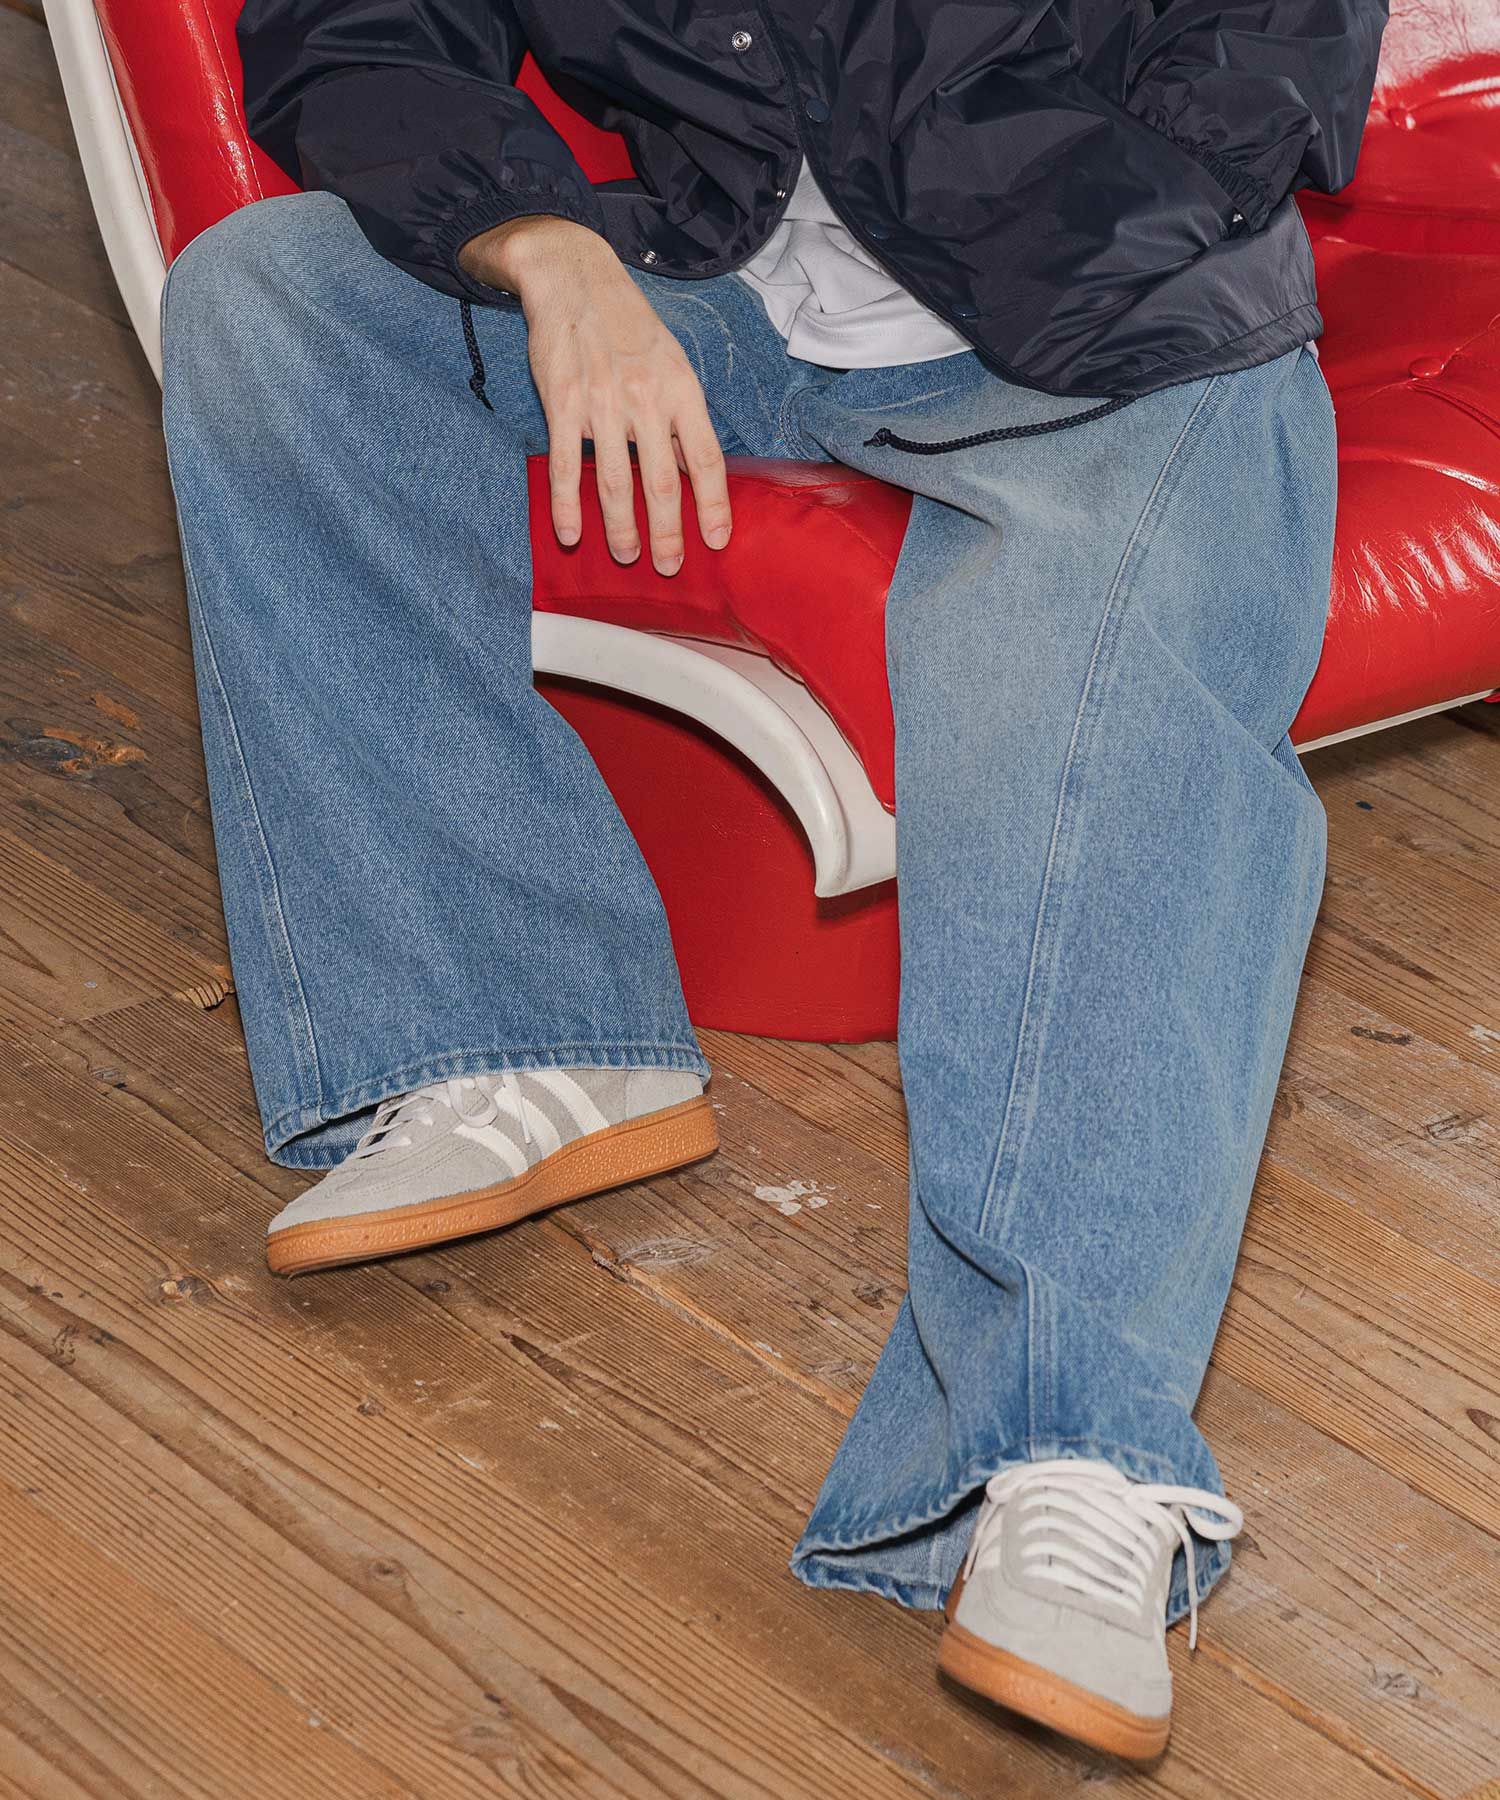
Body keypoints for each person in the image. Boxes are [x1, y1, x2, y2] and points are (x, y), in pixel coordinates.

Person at [160, 0, 1387, 1762]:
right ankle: (514, 1026)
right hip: (716, 281)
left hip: (1108, 313)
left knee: (1095, 703)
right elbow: (355, 29)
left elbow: (1272, 54)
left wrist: (1074, 226)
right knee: (272, 299)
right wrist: (547, 246)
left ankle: (1072, 1450)